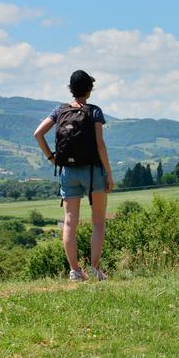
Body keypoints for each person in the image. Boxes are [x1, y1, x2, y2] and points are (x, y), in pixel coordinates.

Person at [33, 70, 115, 281]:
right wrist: (108, 173)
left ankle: (75, 271)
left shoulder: (59, 111)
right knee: (98, 221)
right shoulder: (94, 111)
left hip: (67, 172)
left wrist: (52, 158)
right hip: (92, 171)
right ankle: (95, 269)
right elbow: (100, 144)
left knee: (70, 222)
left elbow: (38, 134)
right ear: (89, 89)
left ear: (70, 88)